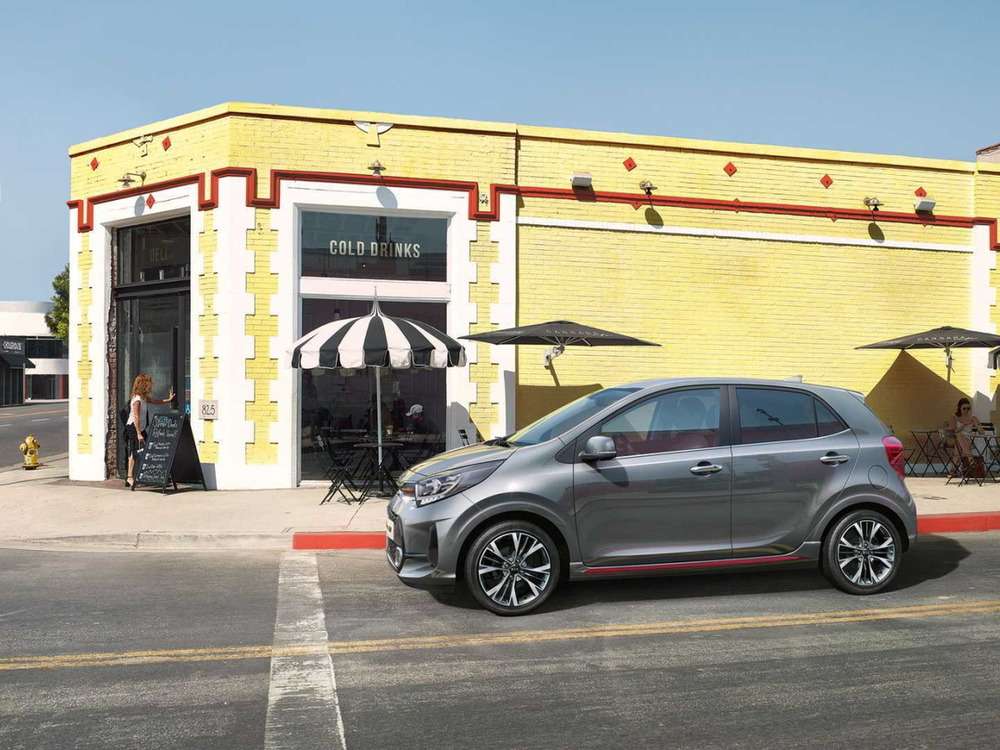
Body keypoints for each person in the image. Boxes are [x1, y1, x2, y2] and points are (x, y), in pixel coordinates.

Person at [125, 373, 174, 487]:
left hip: (140, 427)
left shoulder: (143, 398)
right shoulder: (137, 399)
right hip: (133, 427)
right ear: (143, 385)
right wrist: (138, 433)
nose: (150, 387)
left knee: (146, 449)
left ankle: (146, 475)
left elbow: (155, 401)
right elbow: (136, 417)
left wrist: (168, 400)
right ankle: (129, 477)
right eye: (148, 384)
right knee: (134, 451)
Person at [948, 397, 981, 468]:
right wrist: (964, 425)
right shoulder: (954, 417)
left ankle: (952, 469)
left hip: (968, 439)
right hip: (954, 438)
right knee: (959, 435)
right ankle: (970, 459)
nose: (966, 410)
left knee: (958, 449)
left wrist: (978, 426)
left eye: (968, 408)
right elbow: (953, 431)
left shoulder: (973, 418)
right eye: (964, 408)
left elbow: (982, 432)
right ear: (959, 408)